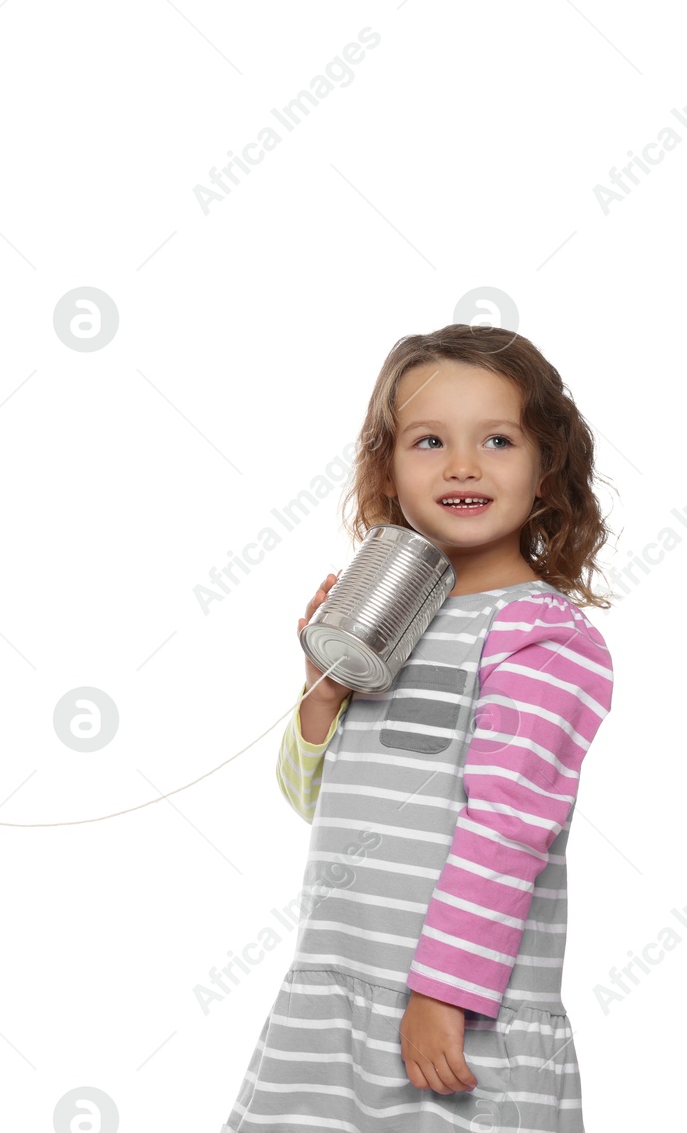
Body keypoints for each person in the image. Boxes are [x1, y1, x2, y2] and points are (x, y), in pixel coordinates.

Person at [229, 325, 616, 1130]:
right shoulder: (395, 625)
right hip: (339, 988)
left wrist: (442, 996)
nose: (463, 466)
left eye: (498, 440)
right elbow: (323, 806)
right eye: (429, 440)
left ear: (547, 472)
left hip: (458, 1012)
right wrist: (322, 701)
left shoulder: (539, 636)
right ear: (387, 467)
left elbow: (509, 828)